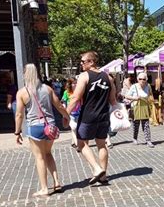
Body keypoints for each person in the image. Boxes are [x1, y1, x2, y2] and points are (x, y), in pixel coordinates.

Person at [14, 64, 69, 198]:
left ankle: (44, 188)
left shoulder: (22, 92)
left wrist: (17, 132)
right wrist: (66, 116)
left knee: (40, 157)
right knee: (48, 153)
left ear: (25, 74)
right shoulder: (47, 89)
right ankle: (56, 182)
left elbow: (19, 114)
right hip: (50, 126)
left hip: (35, 127)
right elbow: (59, 105)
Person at [67, 51, 116, 185]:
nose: (81, 64)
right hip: (104, 115)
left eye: (83, 61)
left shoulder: (84, 76)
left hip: (88, 115)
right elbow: (113, 100)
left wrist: (66, 114)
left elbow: (75, 97)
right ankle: (103, 176)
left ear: (91, 62)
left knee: (81, 143)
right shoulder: (108, 78)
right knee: (102, 144)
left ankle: (96, 169)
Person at [125, 71, 154, 147]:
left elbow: (151, 95)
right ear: (137, 79)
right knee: (136, 124)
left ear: (146, 80)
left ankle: (148, 140)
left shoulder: (148, 86)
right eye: (140, 79)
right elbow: (127, 96)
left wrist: (150, 101)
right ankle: (135, 138)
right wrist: (134, 98)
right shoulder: (134, 86)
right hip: (136, 107)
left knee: (146, 125)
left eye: (144, 79)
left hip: (145, 107)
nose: (142, 81)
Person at [61, 78, 81, 149]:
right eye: (73, 83)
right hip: (70, 113)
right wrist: (64, 112)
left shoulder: (79, 92)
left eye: (76, 83)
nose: (75, 85)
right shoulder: (66, 92)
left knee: (77, 128)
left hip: (79, 112)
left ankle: (73, 142)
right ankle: (78, 144)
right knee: (73, 128)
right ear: (70, 84)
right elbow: (63, 102)